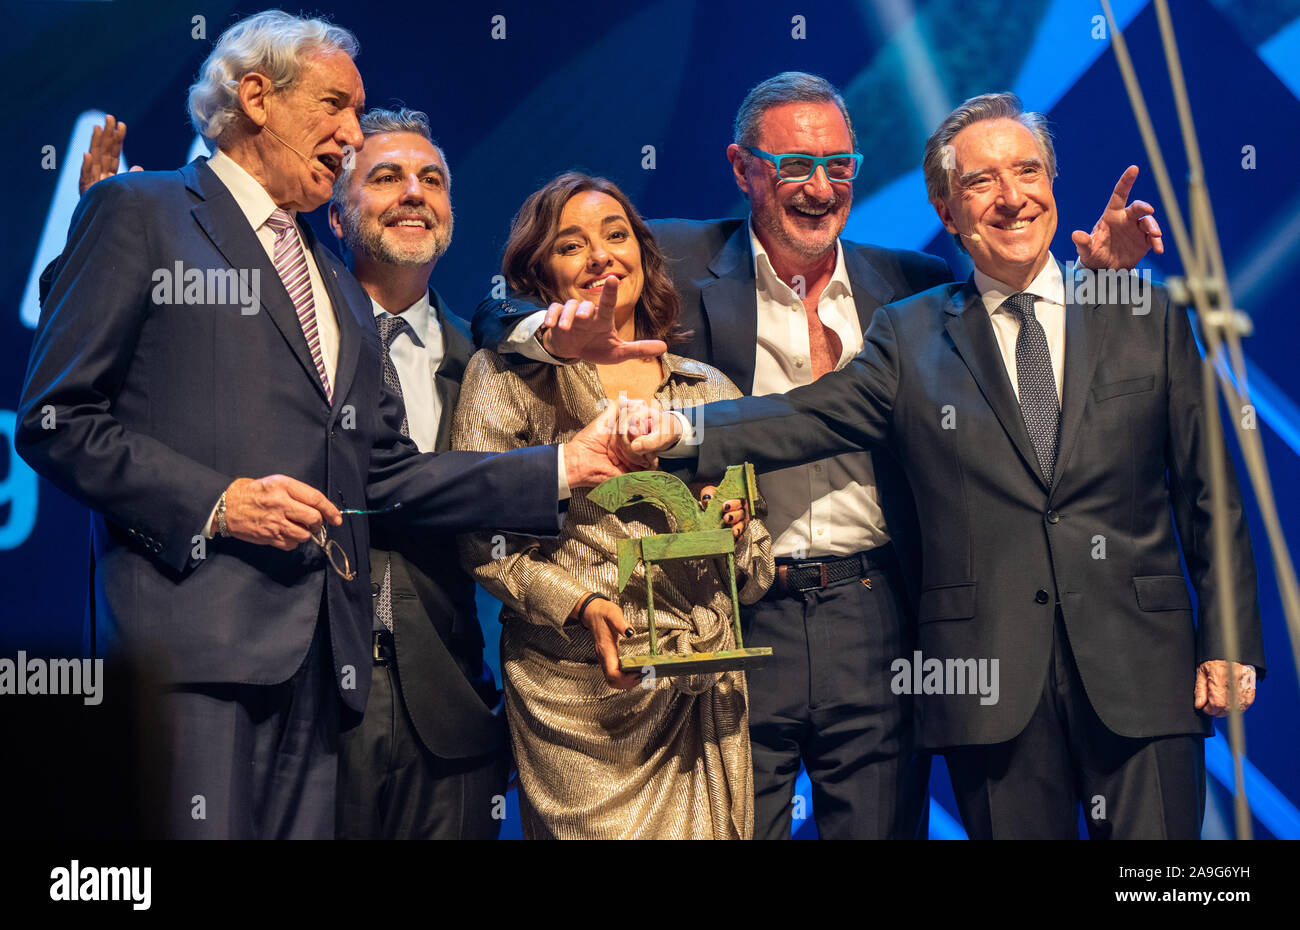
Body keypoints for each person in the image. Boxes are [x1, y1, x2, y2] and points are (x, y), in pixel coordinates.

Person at [472, 72, 1162, 840]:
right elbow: (511, 291)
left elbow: (1026, 323)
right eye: (795, 165)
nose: (821, 186)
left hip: (878, 611)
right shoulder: (677, 254)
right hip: (732, 616)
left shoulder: (915, 281)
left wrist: (1096, 284)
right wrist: (545, 331)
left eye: (839, 165)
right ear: (742, 168)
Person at [15, 11, 627, 840]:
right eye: (337, 106)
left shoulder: (337, 289)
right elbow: (57, 420)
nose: (352, 132)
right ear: (257, 97)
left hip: (321, 682)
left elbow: (387, 475)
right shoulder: (142, 210)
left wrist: (560, 466)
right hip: (193, 666)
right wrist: (219, 503)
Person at [626, 92, 1265, 839]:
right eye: (981, 182)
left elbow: (1208, 494)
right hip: (988, 689)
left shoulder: (1142, 315)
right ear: (947, 208)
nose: (1012, 197)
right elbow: (805, 416)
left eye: (1028, 172)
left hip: (1143, 674)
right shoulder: (912, 331)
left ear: (1054, 187)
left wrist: (1227, 640)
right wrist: (672, 429)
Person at [452, 173, 774, 839]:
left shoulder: (709, 388)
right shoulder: (504, 378)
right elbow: (480, 539)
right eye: (571, 245)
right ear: (538, 272)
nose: (600, 255)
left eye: (616, 235)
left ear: (643, 255)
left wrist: (735, 531)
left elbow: (757, 569)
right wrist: (580, 604)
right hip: (576, 701)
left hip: (699, 697)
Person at [321, 107, 513, 839]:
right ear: (337, 218)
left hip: (453, 712)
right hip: (311, 711)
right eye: (387, 177)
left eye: (431, 179)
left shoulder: (487, 367)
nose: (414, 192)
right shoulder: (285, 341)